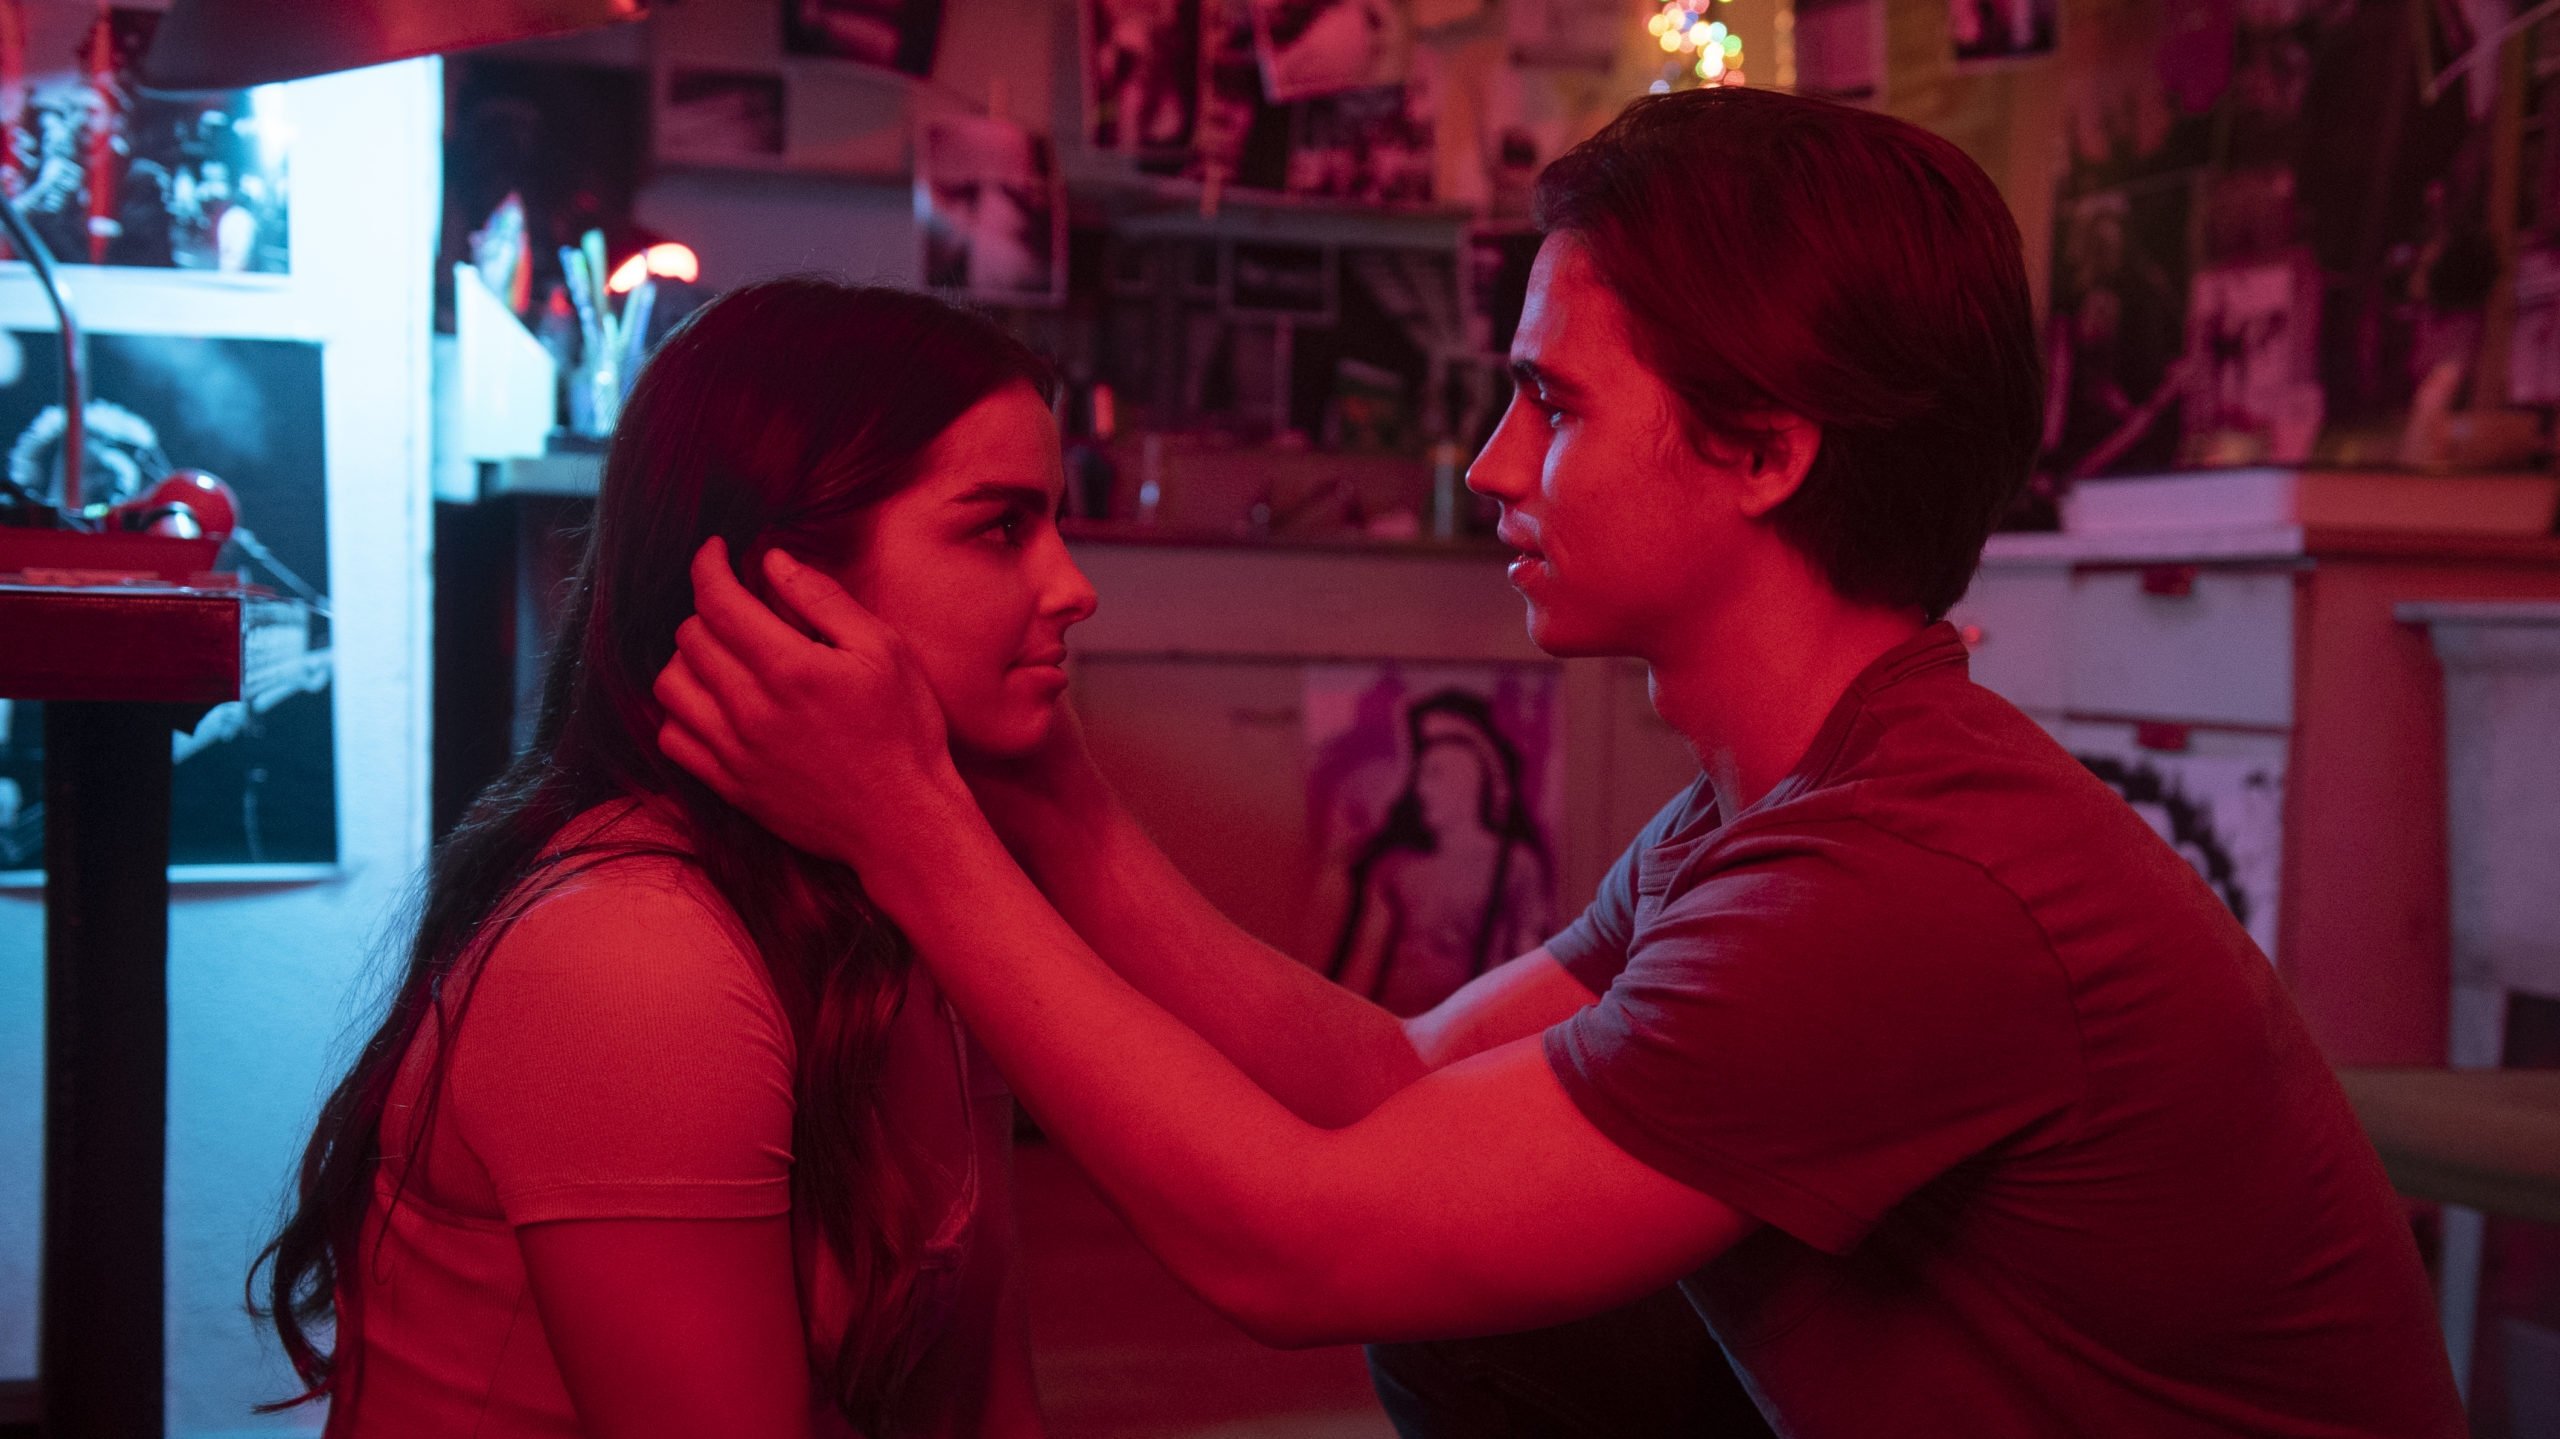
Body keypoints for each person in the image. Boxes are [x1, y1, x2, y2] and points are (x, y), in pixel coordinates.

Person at [654, 90, 2465, 1437]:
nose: (1492, 467)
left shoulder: (1906, 880)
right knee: (1491, 1316)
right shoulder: (1780, 801)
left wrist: (912, 832)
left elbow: (1301, 1247)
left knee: (1438, 1281)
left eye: (1556, 403)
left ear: (1762, 452)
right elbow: (1391, 1084)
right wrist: (1049, 796)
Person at [250, 279, 1090, 1439]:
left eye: (1057, 524)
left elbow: (986, 1404)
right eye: (1001, 527)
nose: (1073, 588)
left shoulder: (902, 896)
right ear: (783, 577)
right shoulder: (636, 956)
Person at [1326, 688, 1557, 1016]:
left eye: (1436, 774)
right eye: (1419, 776)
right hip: (1397, 1022)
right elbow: (1363, 964)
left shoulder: (1516, 865)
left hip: (1472, 1025)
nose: (1421, 789)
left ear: (1471, 778)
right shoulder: (1394, 870)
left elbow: (1529, 954)